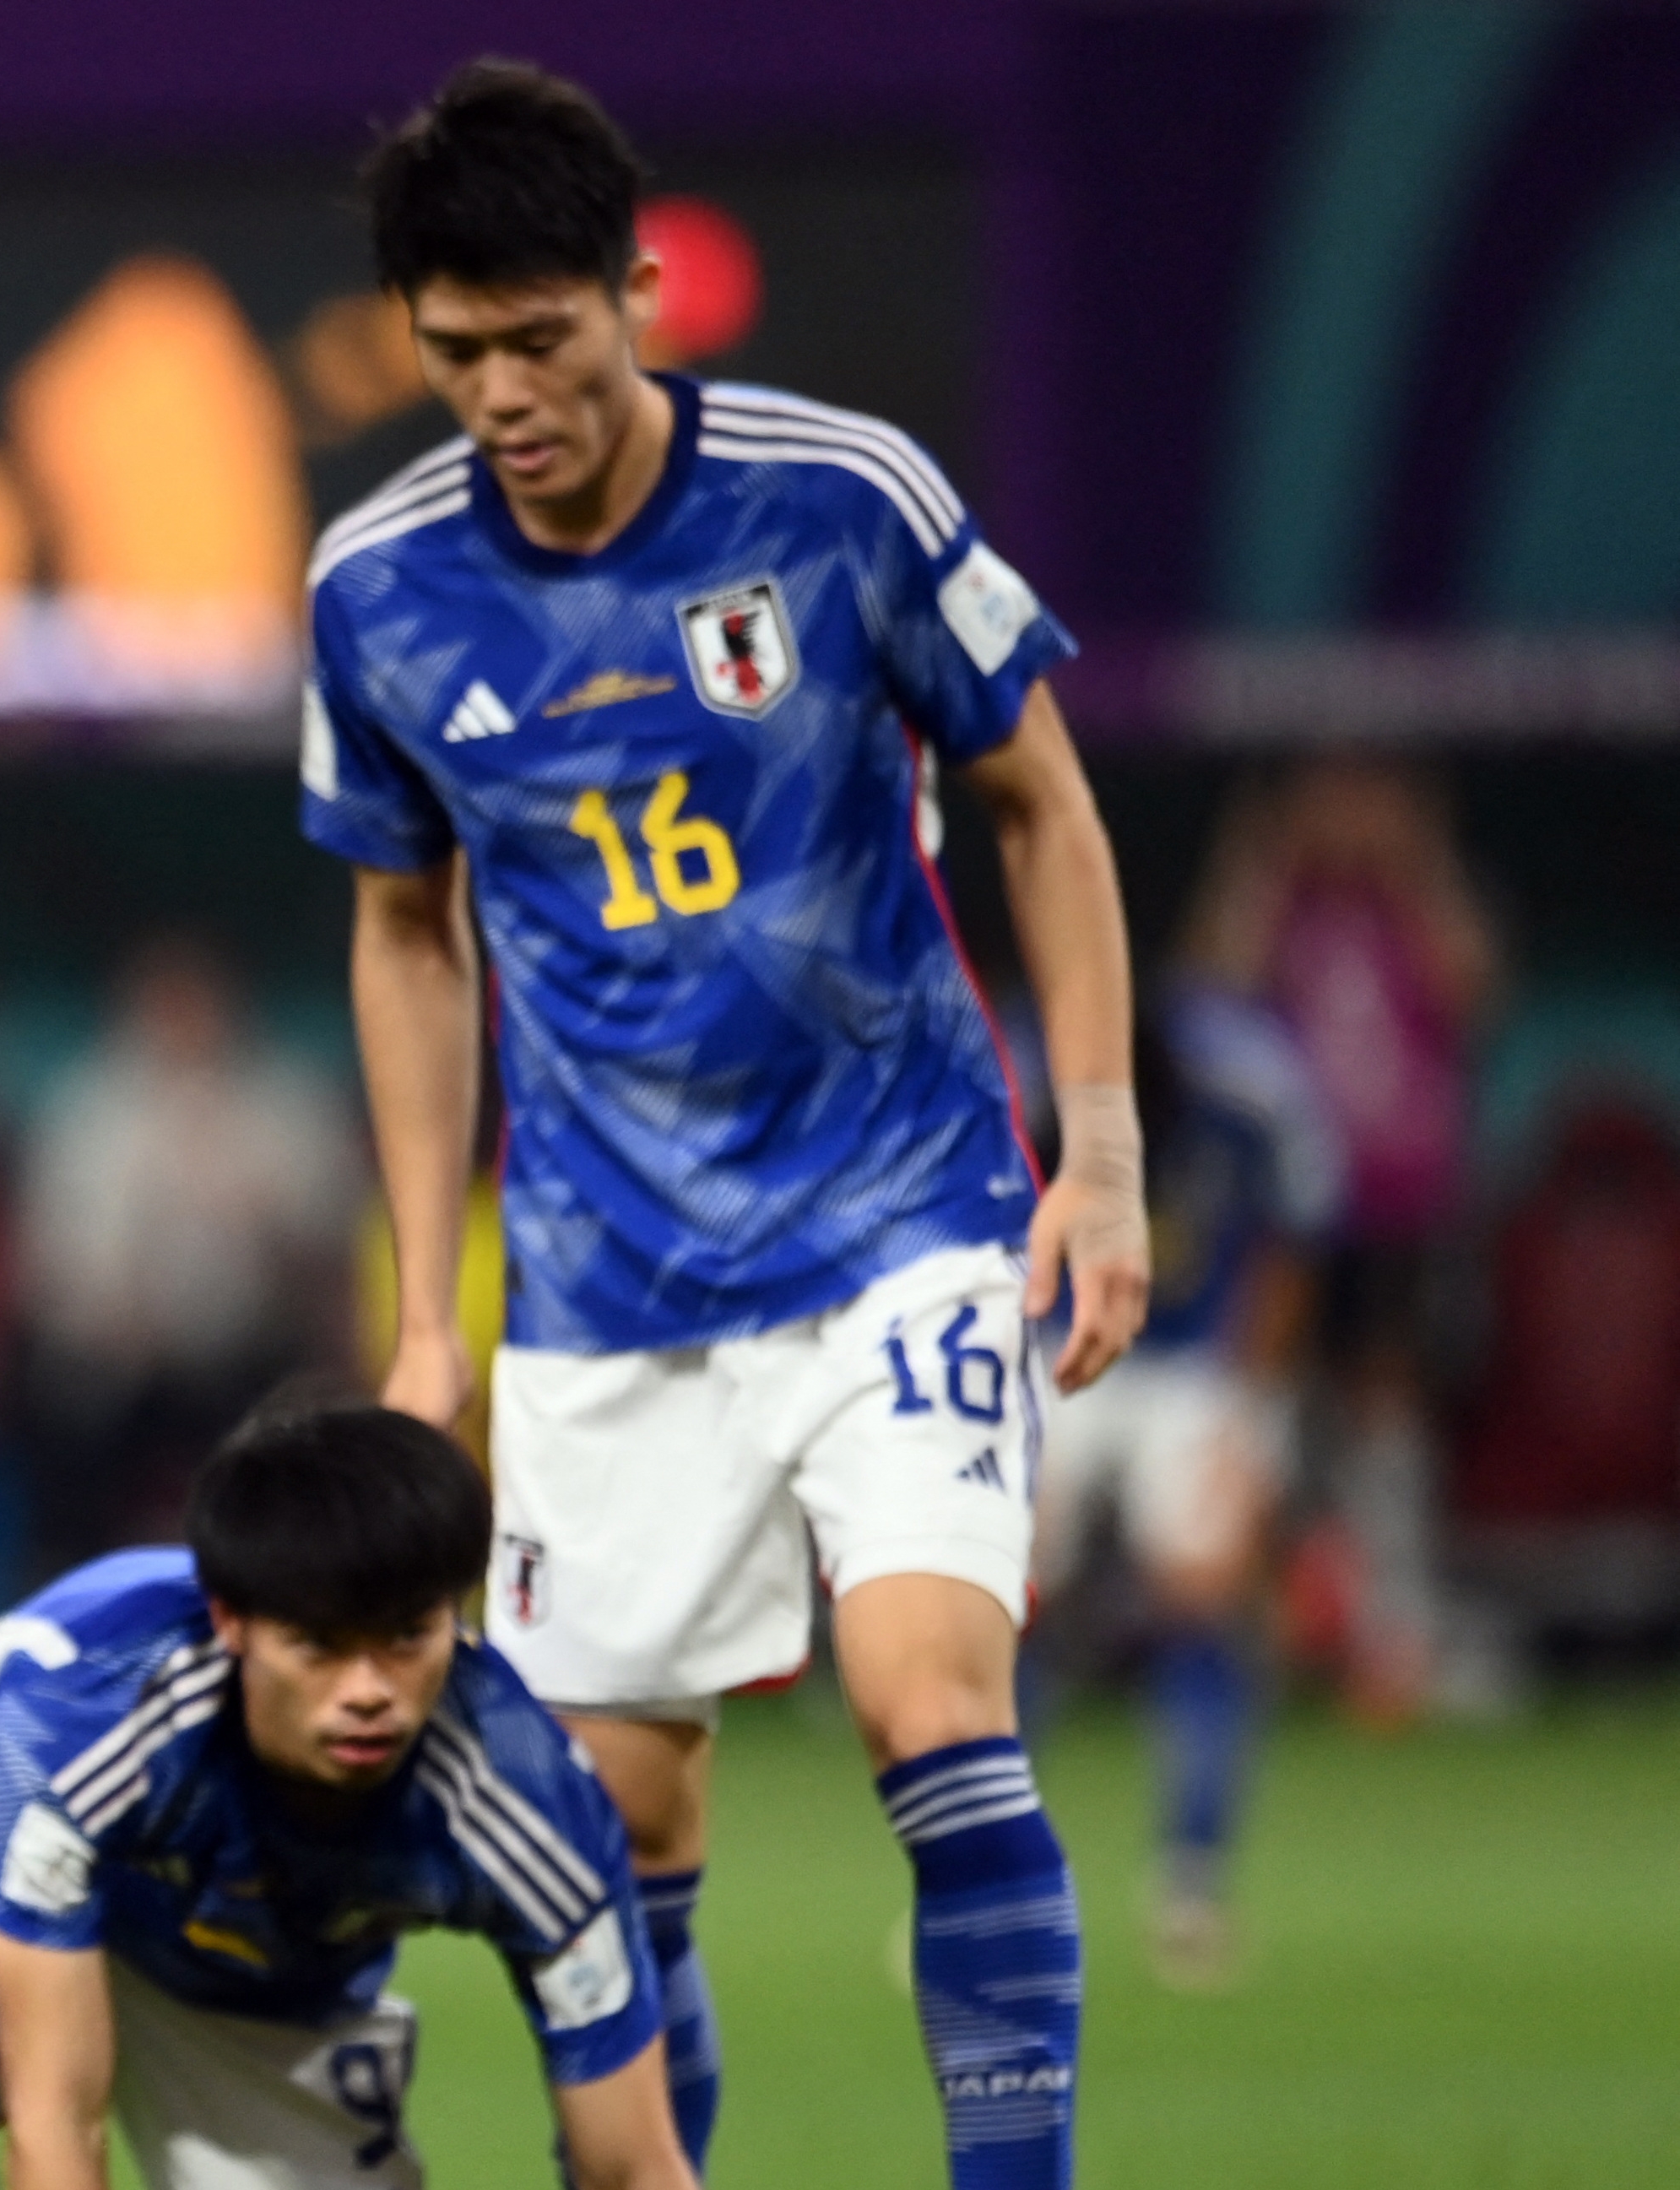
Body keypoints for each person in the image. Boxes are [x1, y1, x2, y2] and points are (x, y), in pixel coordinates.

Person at [303, 64, 1151, 2187]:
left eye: (539, 338)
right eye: (453, 351)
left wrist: (1102, 1143)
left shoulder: (840, 496)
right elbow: (402, 935)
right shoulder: (373, 589)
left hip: (901, 1217)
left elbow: (1039, 798)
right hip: (601, 1287)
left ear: (637, 291)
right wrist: (430, 1320)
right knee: (612, 1829)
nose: (500, 390)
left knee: (928, 1707)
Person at [0, 1399, 693, 2190]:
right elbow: (57, 2119)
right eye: (318, 1643)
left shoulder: (530, 1801)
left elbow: (634, 2163)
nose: (367, 1689)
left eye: (405, 1635)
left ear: (457, 1614)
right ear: (231, 1620)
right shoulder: (82, 1724)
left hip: (254, 1965)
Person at [1033, 978, 1336, 1988]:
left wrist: (1248, 1415)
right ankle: (983, 1880)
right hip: (1063, 1342)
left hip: (1199, 1362)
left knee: (1201, 1601)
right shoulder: (1037, 1071)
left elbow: (1295, 1239)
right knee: (1003, 1592)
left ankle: (1191, 1880)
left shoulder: (1246, 1086)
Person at [1184, 758, 1498, 1720]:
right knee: (1268, 1408)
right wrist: (1265, 854)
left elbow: (1472, 984)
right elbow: (1207, 989)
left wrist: (1419, 856)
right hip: (1286, 1214)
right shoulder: (1287, 905)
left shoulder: (1412, 905)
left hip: (1400, 1208)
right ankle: (1262, 1634)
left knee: (1384, 1418)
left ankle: (1395, 1637)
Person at [19, 935, 359, 1561]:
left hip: (254, 1352)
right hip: (121, 1361)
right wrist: (120, 1317)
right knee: (69, 1410)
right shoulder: (92, 1108)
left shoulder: (285, 1103)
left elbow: (326, 1255)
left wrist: (255, 1216)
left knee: (299, 1416)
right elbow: (59, 1260)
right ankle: (75, 1574)